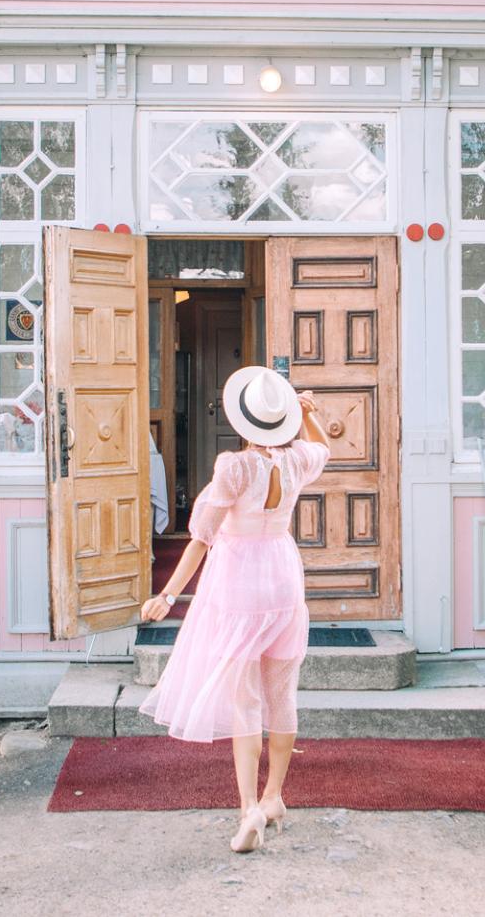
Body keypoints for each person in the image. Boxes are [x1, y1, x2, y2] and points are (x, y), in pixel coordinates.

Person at [138, 366, 333, 854]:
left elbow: (201, 538)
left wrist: (167, 594)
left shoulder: (234, 467)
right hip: (283, 579)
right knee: (282, 694)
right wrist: (307, 415)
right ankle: (274, 797)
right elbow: (324, 449)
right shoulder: (296, 463)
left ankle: (249, 808)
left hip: (240, 584)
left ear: (242, 422)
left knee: (246, 699)